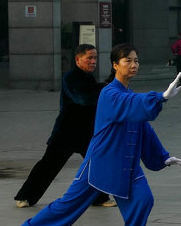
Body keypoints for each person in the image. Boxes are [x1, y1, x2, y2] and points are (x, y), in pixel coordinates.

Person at [12, 45, 181, 226]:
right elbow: (131, 104)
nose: (134, 65)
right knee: (68, 205)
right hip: (101, 163)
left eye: (136, 61)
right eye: (128, 61)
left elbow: (143, 128)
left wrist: (163, 157)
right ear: (115, 65)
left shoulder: (127, 96)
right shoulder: (109, 93)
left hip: (127, 164)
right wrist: (160, 97)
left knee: (143, 199)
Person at [13, 44, 109, 208]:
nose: (93, 61)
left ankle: (99, 198)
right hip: (66, 131)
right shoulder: (70, 78)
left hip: (86, 131)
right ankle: (25, 197)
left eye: (95, 58)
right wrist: (105, 87)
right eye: (90, 58)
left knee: (95, 163)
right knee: (49, 164)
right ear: (78, 59)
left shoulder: (89, 78)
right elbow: (84, 98)